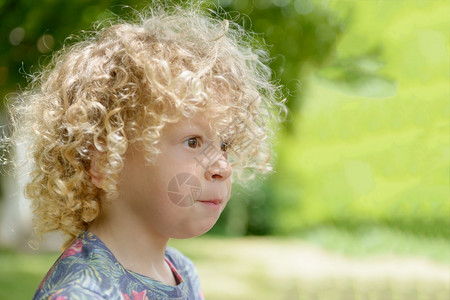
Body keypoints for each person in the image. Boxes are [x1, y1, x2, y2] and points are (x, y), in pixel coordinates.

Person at [6, 2, 285, 299]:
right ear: (103, 162)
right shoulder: (82, 293)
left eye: (224, 145)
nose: (223, 167)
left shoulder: (181, 271)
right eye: (193, 142)